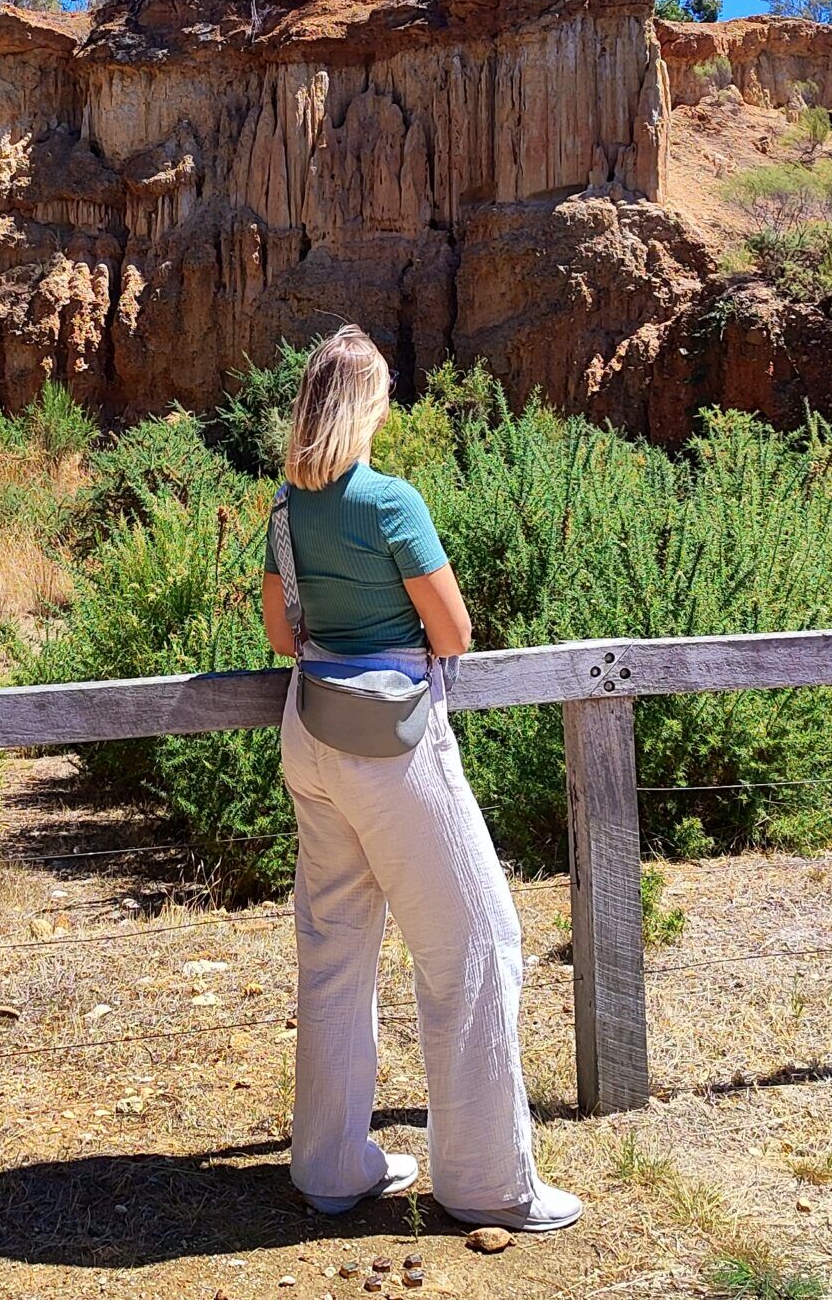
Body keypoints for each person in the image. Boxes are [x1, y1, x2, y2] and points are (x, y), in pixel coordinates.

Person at [260, 325, 582, 1233]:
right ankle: (485, 1182)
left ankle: (330, 1168)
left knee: (334, 951)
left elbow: (281, 637)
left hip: (311, 732)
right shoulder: (391, 501)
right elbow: (453, 633)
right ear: (369, 406)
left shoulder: (286, 509)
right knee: (478, 941)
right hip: (393, 744)